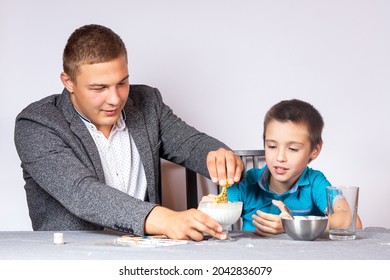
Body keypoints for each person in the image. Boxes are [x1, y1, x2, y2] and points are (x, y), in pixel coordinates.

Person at [14, 24, 243, 241]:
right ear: (68, 81)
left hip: (144, 255)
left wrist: (219, 155)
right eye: (99, 88)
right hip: (72, 260)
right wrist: (164, 219)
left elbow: (191, 144)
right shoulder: (37, 124)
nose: (115, 99)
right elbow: (81, 192)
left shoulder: (147, 103)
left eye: (122, 83)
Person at [204, 99, 362, 236]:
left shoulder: (315, 182)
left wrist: (291, 226)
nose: (280, 157)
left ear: (314, 150)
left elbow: (351, 220)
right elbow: (210, 220)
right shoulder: (247, 183)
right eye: (272, 146)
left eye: (292, 149)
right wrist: (209, 208)